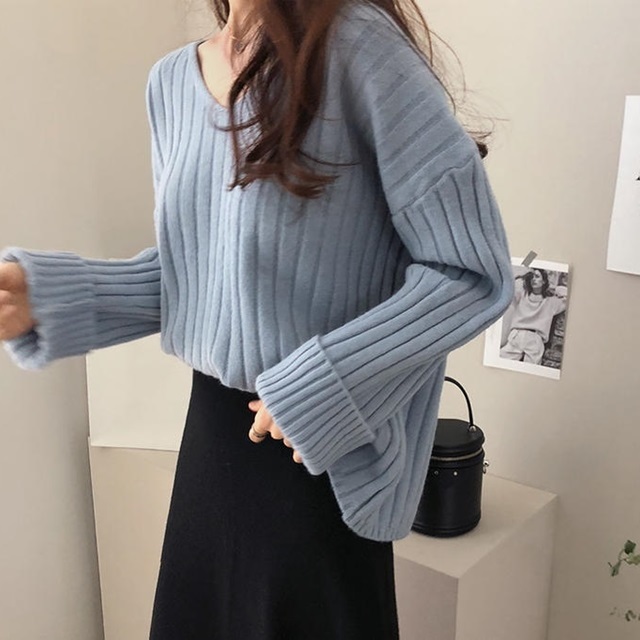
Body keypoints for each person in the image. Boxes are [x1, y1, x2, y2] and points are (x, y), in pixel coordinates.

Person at [0, 0, 515, 637]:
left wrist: (324, 385)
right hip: (212, 448)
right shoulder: (171, 81)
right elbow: (205, 277)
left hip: (316, 463)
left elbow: (472, 272)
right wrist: (47, 296)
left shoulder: (356, 47)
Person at [499, 268, 567, 365]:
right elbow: (506, 288)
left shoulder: (550, 302)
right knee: (501, 361)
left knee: (531, 369)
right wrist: (520, 277)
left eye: (537, 276)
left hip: (535, 338)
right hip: (517, 335)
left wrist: (553, 287)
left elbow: (567, 297)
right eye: (532, 276)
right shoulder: (521, 295)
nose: (533, 279)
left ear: (544, 281)